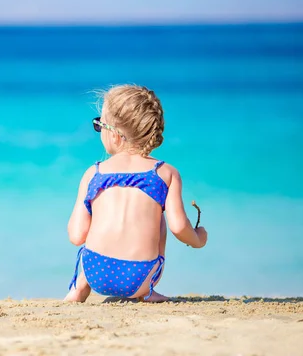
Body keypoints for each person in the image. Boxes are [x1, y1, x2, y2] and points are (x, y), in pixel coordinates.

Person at [64, 84, 208, 303]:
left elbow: (76, 236)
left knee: (99, 219)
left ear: (115, 135)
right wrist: (198, 239)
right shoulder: (165, 173)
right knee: (157, 215)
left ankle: (80, 287)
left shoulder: (93, 173)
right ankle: (147, 292)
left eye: (99, 125)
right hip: (138, 278)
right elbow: (178, 227)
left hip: (95, 272)